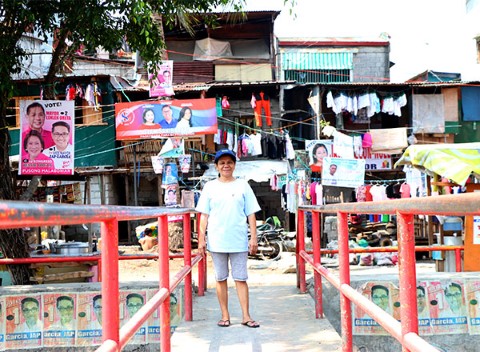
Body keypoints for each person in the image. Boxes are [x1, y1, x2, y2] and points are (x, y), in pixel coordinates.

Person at [195, 149, 261, 329]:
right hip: (217, 241)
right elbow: (203, 216)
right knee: (220, 278)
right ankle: (225, 315)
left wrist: (253, 237)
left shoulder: (243, 185)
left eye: (229, 162)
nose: (226, 166)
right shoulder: (210, 187)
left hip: (238, 240)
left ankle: (246, 316)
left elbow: (251, 213)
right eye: (222, 163)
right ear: (216, 166)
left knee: (241, 278)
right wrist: (201, 239)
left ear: (234, 165)